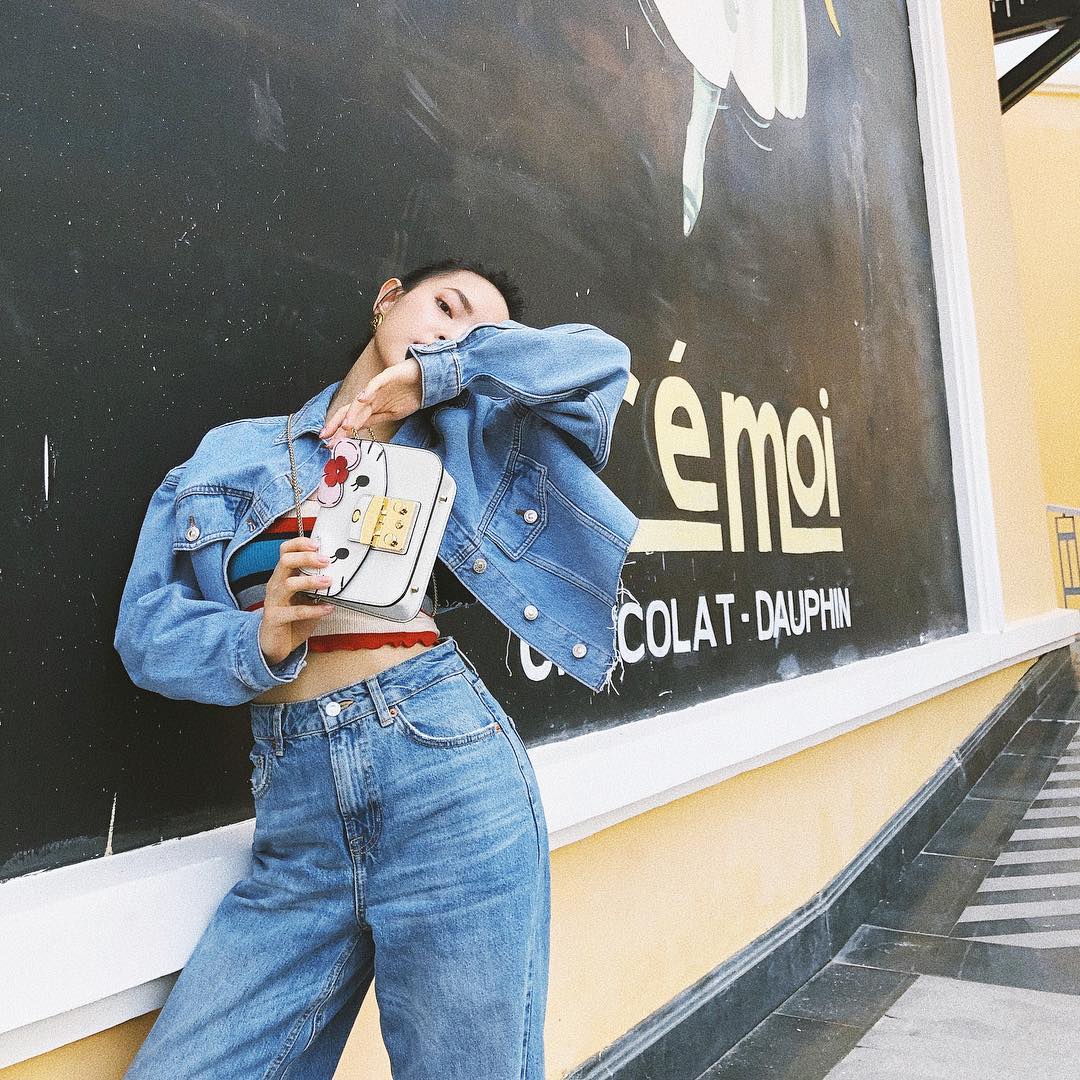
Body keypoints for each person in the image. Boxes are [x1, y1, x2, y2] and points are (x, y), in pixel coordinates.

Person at [114, 256, 639, 1079]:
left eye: (479, 333)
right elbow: (145, 629)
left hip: (445, 771)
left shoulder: (477, 437)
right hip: (298, 814)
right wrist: (259, 640)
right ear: (387, 300)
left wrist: (443, 376)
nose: (452, 333)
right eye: (445, 308)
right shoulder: (230, 456)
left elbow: (601, 364)